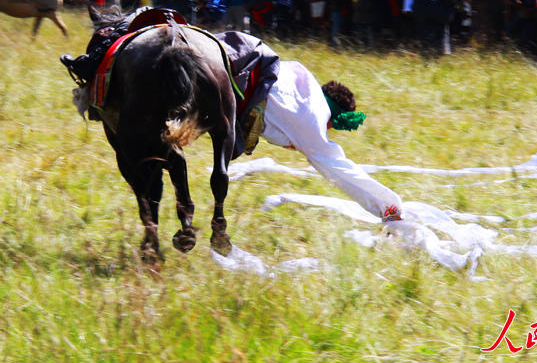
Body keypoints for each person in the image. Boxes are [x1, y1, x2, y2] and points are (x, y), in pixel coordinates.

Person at [60, 13, 403, 222]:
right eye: (329, 129)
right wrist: (385, 203)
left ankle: (97, 62)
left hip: (240, 52)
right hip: (236, 74)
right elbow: (335, 164)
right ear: (333, 116)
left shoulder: (302, 79)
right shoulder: (312, 119)